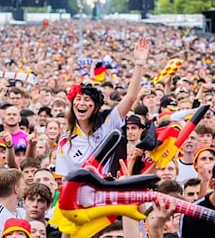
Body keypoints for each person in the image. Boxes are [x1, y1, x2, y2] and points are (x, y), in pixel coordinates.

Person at [55, 37, 150, 176]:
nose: (81, 103)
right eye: (78, 99)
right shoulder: (65, 140)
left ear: (95, 106)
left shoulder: (108, 121)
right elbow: (63, 178)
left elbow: (130, 98)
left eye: (86, 100)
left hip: (106, 190)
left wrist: (139, 63)